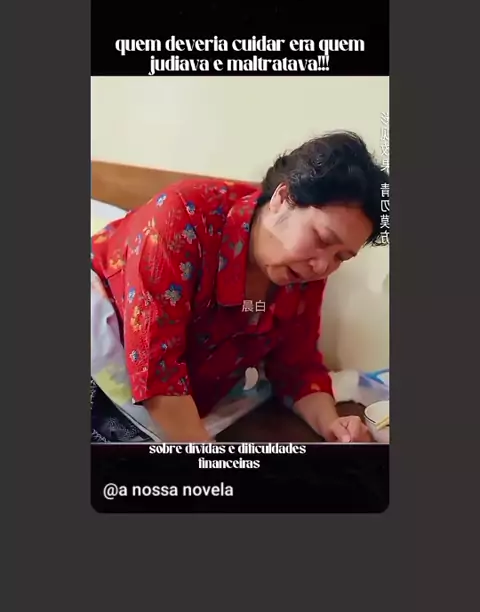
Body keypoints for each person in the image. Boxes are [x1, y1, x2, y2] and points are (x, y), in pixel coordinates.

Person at [91, 131, 388, 443]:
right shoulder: (181, 219)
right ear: (282, 198)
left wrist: (333, 425)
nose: (323, 266)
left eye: (341, 257)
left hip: (198, 394)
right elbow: (157, 367)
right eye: (322, 239)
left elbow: (296, 366)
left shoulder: (304, 270)